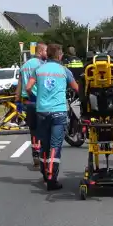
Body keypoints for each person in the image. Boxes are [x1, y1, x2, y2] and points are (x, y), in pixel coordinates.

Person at [27, 43, 78, 190]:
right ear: (60, 55)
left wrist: (36, 98)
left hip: (42, 112)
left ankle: (44, 173)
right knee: (55, 146)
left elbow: (28, 87)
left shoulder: (38, 69)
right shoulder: (64, 70)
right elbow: (77, 88)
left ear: (47, 54)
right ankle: (52, 178)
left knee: (44, 144)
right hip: (59, 112)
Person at [18, 44, 47, 168]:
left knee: (33, 130)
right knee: (44, 129)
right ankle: (43, 155)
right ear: (40, 51)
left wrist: (17, 102)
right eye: (46, 50)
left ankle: (35, 154)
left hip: (28, 102)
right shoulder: (41, 65)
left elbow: (19, 86)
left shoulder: (24, 66)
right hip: (40, 101)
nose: (47, 53)